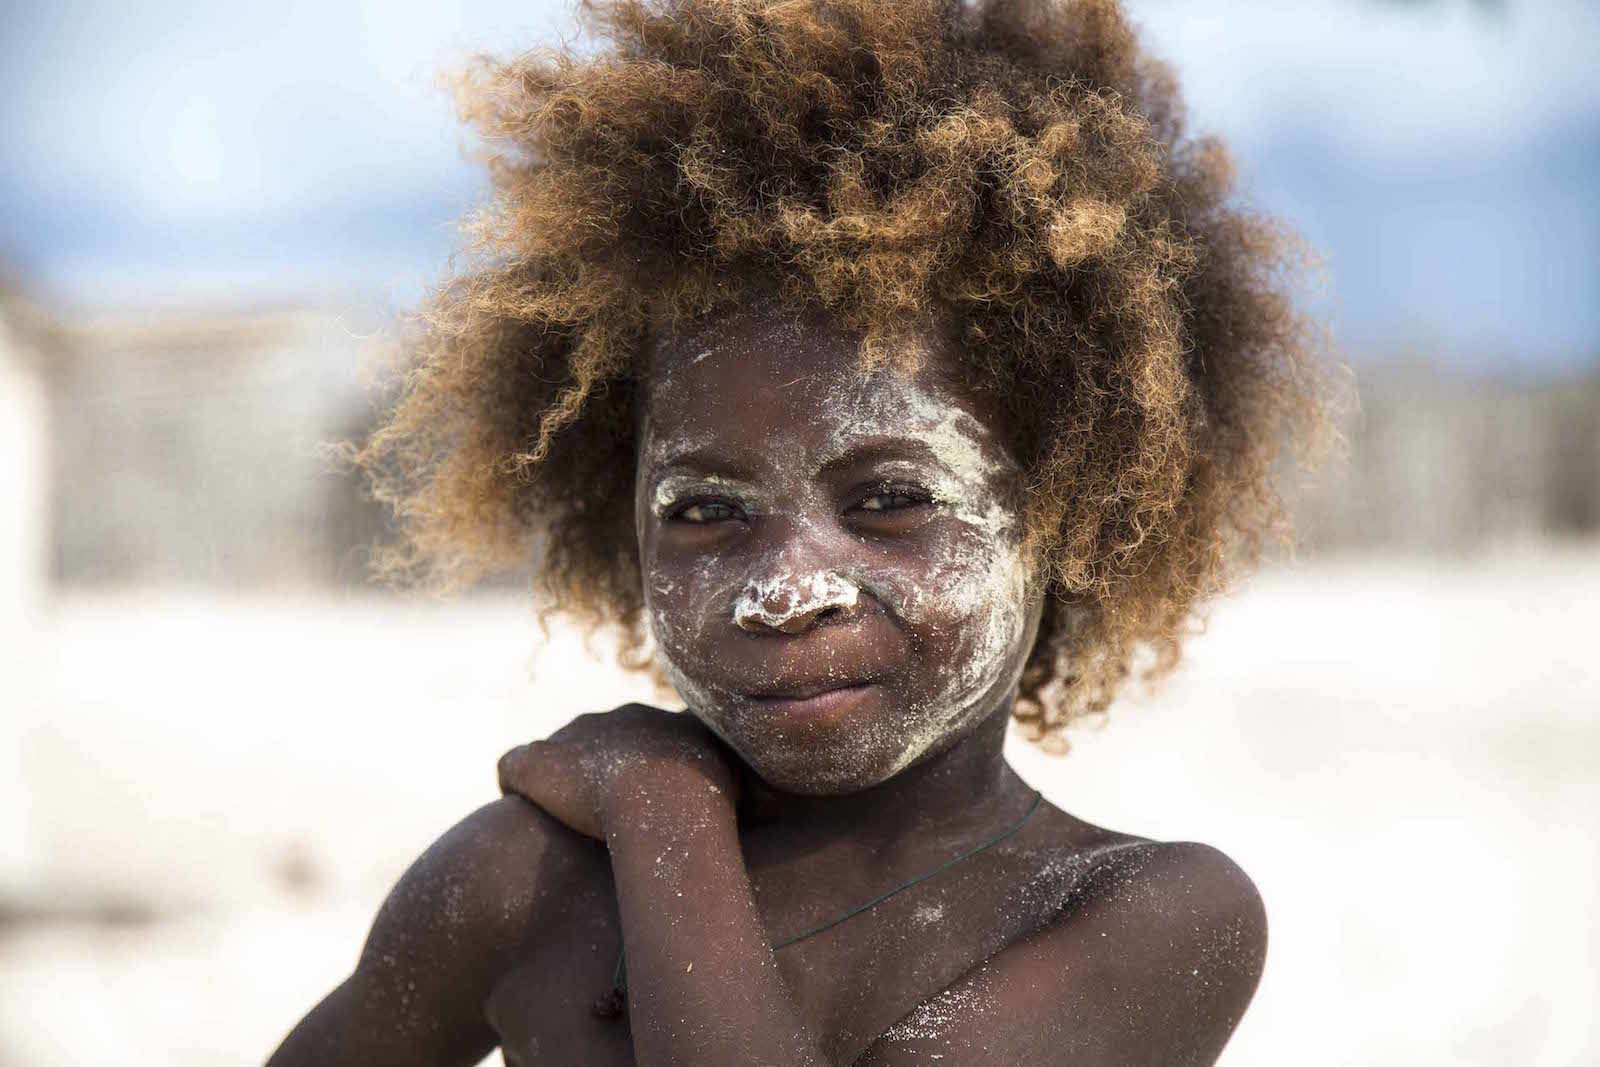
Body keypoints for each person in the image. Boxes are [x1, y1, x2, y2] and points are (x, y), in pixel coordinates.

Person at [268, 0, 1334, 1062]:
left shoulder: (1152, 917)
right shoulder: (518, 882)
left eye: (888, 499)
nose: (784, 587)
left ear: (1068, 511)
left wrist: (666, 814)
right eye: (706, 510)